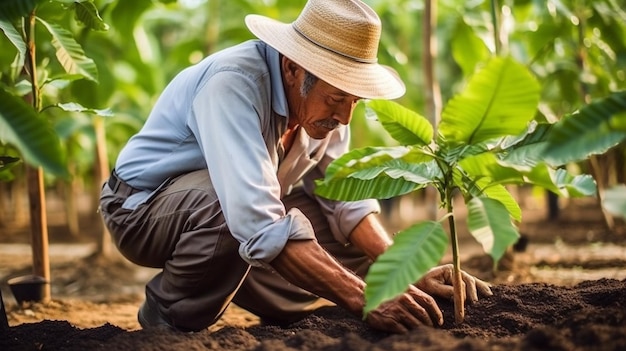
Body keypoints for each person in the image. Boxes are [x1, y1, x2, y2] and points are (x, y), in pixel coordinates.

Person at [99, 0, 492, 334]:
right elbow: (256, 220)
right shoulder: (233, 84)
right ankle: (168, 313)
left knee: (328, 225)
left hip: (230, 217)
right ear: (291, 68)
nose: (346, 117)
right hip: (141, 211)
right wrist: (362, 299)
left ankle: (364, 298)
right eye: (337, 98)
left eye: (355, 101)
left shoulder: (326, 112)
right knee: (235, 207)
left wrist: (404, 269)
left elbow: (344, 198)